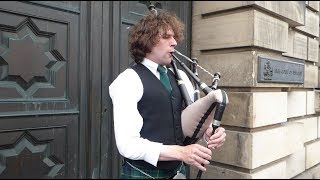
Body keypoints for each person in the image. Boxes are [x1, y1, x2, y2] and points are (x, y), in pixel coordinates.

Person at [109, 9, 227, 179]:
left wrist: (208, 132)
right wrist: (181, 152)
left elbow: (186, 124)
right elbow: (127, 145)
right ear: (147, 41)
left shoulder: (182, 77)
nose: (174, 43)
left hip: (177, 172)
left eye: (174, 37)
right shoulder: (128, 80)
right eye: (166, 37)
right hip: (142, 174)